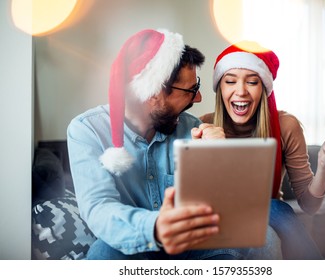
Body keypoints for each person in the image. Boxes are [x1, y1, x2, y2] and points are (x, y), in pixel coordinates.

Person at [67, 29, 282, 260]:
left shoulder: (192, 128)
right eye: (191, 91)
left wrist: (221, 158)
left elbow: (231, 209)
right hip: (134, 245)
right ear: (152, 93)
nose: (198, 99)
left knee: (265, 238)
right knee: (102, 252)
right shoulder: (87, 131)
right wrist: (157, 226)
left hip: (192, 246)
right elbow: (99, 209)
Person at [200, 41, 325, 259]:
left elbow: (309, 206)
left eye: (252, 82)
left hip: (269, 216)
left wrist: (324, 166)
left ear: (263, 88)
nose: (240, 91)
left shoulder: (286, 126)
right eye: (230, 81)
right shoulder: (203, 126)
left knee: (273, 217)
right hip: (218, 217)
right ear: (220, 88)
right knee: (278, 209)